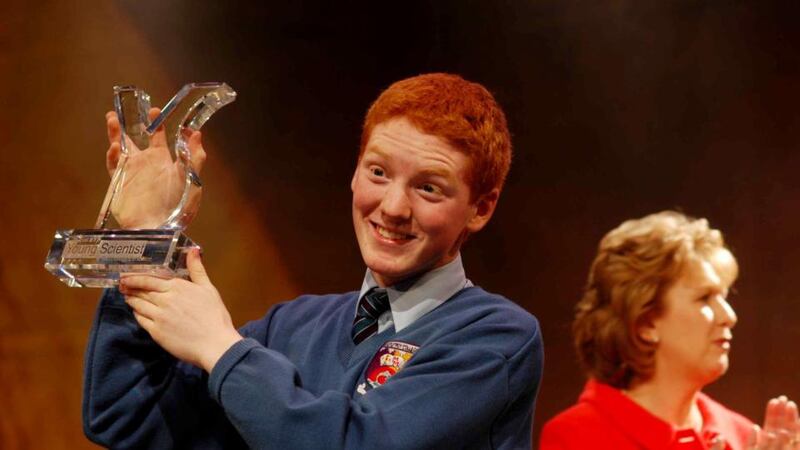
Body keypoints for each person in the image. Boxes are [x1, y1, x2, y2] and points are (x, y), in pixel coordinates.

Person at [82, 73, 544, 449]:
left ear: (481, 208)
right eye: (378, 172)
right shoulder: (292, 325)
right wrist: (146, 237)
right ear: (354, 172)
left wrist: (222, 349)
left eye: (428, 187)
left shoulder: (495, 337)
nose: (393, 207)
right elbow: (126, 417)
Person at [540, 211, 800, 449]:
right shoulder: (576, 437)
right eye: (704, 298)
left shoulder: (742, 435)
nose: (729, 317)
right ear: (646, 324)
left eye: (724, 297)